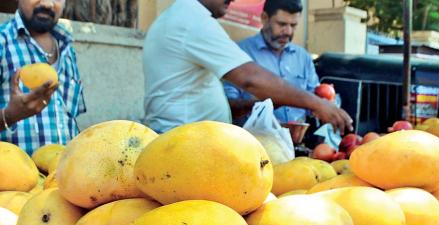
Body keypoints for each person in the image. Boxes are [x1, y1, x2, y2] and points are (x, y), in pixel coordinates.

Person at [142, 0, 351, 134]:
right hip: (183, 143)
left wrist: (262, 103)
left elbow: (209, 100)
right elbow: (250, 79)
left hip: (186, 140)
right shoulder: (192, 21)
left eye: (293, 26)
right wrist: (317, 104)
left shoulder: (179, 16)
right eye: (282, 24)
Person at [0, 0, 87, 153]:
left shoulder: (67, 48)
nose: (47, 4)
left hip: (62, 174)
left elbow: (70, 121)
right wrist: (10, 115)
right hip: (13, 175)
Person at [225, 0, 328, 125]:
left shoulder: (303, 57)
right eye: (282, 24)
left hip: (298, 140)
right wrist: (265, 104)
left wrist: (324, 103)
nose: (288, 32)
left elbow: (314, 99)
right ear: (264, 18)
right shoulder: (240, 52)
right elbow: (228, 106)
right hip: (253, 140)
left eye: (293, 25)